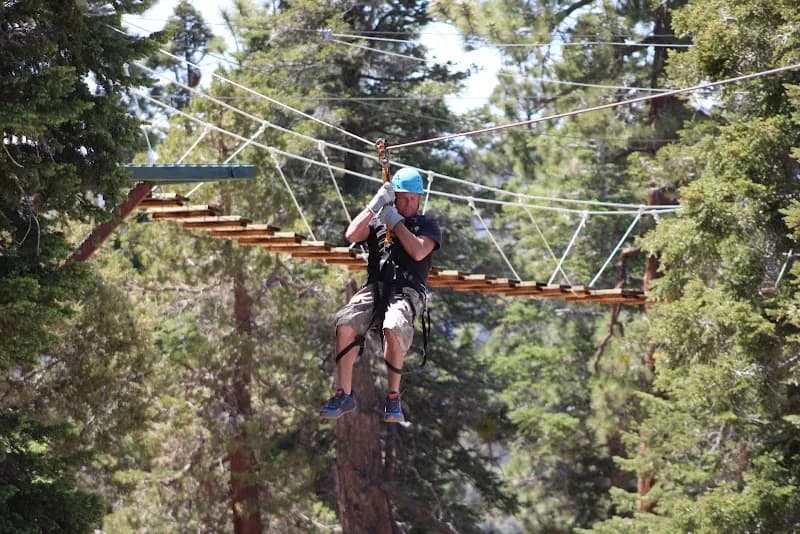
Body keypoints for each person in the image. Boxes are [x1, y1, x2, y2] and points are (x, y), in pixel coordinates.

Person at [320, 167, 441, 423]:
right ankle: (344, 393)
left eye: (413, 199)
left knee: (393, 324)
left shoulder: (427, 224)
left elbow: (418, 252)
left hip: (407, 291)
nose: (408, 204)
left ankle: (393, 397)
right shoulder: (379, 219)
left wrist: (395, 222)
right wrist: (375, 206)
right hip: (375, 287)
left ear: (419, 200)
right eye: (403, 198)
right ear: (395, 196)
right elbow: (352, 235)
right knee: (345, 323)